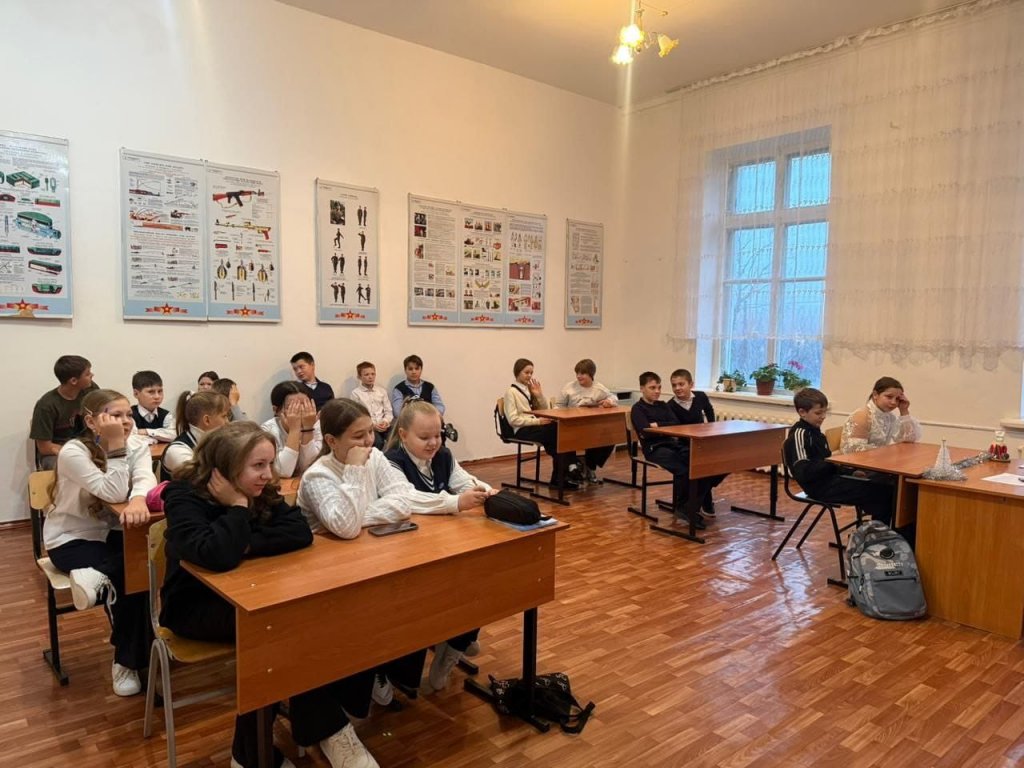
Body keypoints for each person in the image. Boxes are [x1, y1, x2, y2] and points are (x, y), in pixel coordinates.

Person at [161, 422, 379, 768]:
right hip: (195, 605)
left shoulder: (260, 488)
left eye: (269, 463)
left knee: (316, 621)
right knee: (277, 637)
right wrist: (237, 507)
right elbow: (215, 554)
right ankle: (325, 733)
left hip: (257, 598)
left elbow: (298, 532)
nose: (268, 474)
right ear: (226, 466)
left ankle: (255, 753)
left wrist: (243, 545)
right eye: (258, 465)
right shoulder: (183, 493)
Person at [296, 398, 424, 707]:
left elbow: (403, 501)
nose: (369, 441)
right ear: (331, 441)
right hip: (329, 576)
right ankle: (366, 675)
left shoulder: (375, 456)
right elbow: (346, 527)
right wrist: (354, 471)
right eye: (358, 435)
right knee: (371, 613)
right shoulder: (317, 476)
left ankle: (387, 666)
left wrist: (361, 513)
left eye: (370, 432)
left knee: (413, 597)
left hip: (371, 556)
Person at [43, 388, 155, 696]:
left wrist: (138, 499)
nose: (125, 421)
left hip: (114, 532)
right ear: (92, 422)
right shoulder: (73, 452)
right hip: (71, 538)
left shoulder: (137, 443)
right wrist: (116, 447)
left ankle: (98, 577)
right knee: (129, 576)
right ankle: (126, 661)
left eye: (128, 414)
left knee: (141, 571)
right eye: (115, 415)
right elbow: (112, 492)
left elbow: (145, 478)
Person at [384, 400, 494, 691]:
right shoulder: (391, 461)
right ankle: (454, 636)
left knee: (481, 577)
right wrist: (455, 502)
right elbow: (407, 498)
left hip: (445, 544)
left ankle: (457, 640)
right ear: (403, 434)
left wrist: (486, 491)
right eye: (425, 437)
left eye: (438, 435)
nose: (434, 442)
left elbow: (463, 480)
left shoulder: (443, 455)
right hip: (409, 553)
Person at [785, 388, 894, 527]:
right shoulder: (799, 435)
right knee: (883, 493)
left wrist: (850, 472)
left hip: (830, 480)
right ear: (802, 412)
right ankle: (878, 534)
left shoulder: (817, 433)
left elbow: (829, 465)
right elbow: (804, 472)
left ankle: (878, 530)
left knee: (885, 485)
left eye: (824, 412)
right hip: (818, 488)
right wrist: (832, 461)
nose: (823, 416)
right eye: (818, 413)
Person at [630, 372, 713, 529]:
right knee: (683, 469)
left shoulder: (663, 405)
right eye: (652, 388)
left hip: (672, 444)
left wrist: (657, 425)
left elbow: (675, 424)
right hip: (654, 449)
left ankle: (690, 506)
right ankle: (682, 507)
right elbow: (646, 431)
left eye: (659, 387)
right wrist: (661, 426)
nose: (657, 391)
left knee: (699, 464)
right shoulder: (638, 409)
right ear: (642, 388)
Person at [502, 358, 578, 489]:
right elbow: (513, 420)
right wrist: (538, 421)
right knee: (556, 434)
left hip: (532, 426)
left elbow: (544, 409)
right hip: (522, 429)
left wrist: (539, 395)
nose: (529, 376)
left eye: (531, 373)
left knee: (560, 431)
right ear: (518, 372)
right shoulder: (511, 392)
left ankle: (562, 475)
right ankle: (568, 469)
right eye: (526, 372)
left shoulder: (528, 389)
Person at [668, 368, 725, 516]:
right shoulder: (670, 406)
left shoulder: (700, 397)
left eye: (681, 384)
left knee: (724, 461)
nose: (677, 388)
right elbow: (675, 430)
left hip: (703, 442)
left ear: (691, 384)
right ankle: (700, 502)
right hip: (684, 445)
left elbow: (709, 410)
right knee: (700, 466)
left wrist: (711, 427)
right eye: (674, 385)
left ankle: (703, 494)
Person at [553, 358, 617, 483]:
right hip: (571, 426)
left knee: (610, 438)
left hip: (591, 426)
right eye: (577, 373)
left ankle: (589, 465)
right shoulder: (569, 387)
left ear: (591, 374)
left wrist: (609, 402)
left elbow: (613, 398)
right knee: (568, 437)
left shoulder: (599, 388)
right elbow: (558, 406)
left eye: (582, 373)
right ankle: (575, 467)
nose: (578, 376)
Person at [30, 354, 99, 469]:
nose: (92, 375)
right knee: (73, 468)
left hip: (86, 445)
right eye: (87, 374)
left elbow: (102, 413)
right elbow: (44, 447)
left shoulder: (90, 389)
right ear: (73, 381)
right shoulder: (46, 406)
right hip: (57, 451)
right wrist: (76, 453)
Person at [840, 376, 923, 453]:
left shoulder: (890, 417)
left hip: (878, 460)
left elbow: (908, 440)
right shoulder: (862, 416)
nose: (893, 402)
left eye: (897, 399)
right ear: (875, 395)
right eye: (889, 397)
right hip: (857, 463)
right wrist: (888, 453)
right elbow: (854, 451)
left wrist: (904, 410)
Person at [161, 391, 231, 478]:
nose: (228, 422)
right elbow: (203, 480)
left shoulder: (218, 443)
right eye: (224, 416)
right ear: (207, 420)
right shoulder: (177, 450)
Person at [260, 382, 321, 478]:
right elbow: (283, 471)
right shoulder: (268, 430)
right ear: (276, 410)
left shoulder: (314, 424)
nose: (301, 412)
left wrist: (308, 429)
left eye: (305, 406)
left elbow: (312, 467)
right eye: (293, 407)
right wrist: (294, 430)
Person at [349, 361, 391, 450]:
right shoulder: (356, 393)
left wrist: (385, 421)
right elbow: (356, 415)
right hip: (368, 427)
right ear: (359, 377)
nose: (370, 377)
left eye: (373, 374)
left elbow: (388, 411)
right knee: (378, 442)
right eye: (366, 374)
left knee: (396, 438)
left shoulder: (382, 391)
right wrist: (373, 425)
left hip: (384, 425)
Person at [130, 369, 176, 442]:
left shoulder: (165, 415)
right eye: (151, 392)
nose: (157, 396)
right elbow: (131, 438)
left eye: (160, 391)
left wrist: (146, 432)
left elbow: (175, 435)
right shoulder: (129, 414)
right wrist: (159, 437)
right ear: (136, 394)